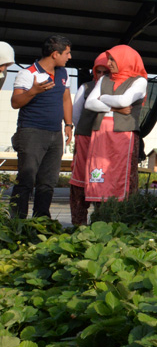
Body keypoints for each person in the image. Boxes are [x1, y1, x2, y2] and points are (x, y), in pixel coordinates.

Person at [9, 35, 73, 218]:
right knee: (26, 179)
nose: (69, 57)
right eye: (67, 53)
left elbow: (66, 99)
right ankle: (17, 221)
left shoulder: (63, 73)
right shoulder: (28, 73)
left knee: (48, 180)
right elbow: (15, 102)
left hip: (55, 133)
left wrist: (68, 124)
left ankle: (42, 220)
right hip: (31, 132)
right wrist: (33, 91)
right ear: (55, 54)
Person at [82, 45, 147, 204]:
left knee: (120, 172)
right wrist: (113, 108)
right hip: (101, 132)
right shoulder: (104, 79)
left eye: (113, 59)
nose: (109, 63)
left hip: (123, 133)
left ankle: (121, 211)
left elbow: (124, 101)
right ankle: (100, 210)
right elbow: (89, 103)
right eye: (109, 59)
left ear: (125, 60)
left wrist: (102, 97)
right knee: (99, 171)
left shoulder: (139, 81)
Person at [69, 53, 109, 225]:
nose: (101, 76)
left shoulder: (117, 89)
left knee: (102, 177)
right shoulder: (86, 87)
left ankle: (101, 223)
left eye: (106, 72)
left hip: (105, 140)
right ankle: (79, 223)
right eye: (98, 72)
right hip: (86, 137)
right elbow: (76, 115)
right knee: (80, 177)